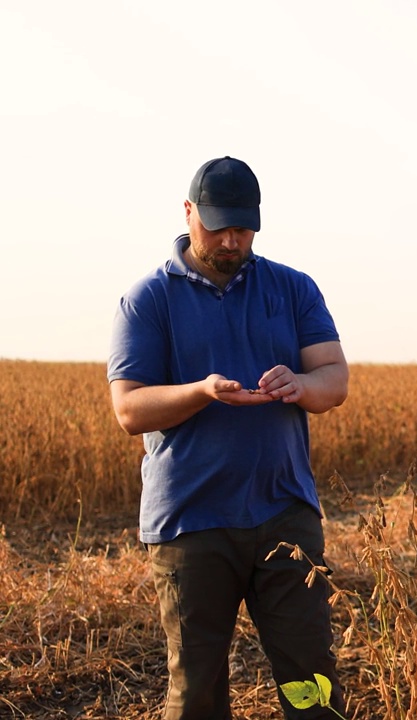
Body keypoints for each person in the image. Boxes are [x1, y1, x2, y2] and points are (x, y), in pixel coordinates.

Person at [107, 156, 349, 720]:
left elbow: (334, 379)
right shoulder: (148, 300)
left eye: (243, 229)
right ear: (189, 213)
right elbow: (129, 408)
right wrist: (203, 391)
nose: (232, 240)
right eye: (219, 227)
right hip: (191, 524)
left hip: (284, 513)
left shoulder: (292, 288)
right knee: (198, 692)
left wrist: (301, 383)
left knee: (310, 678)